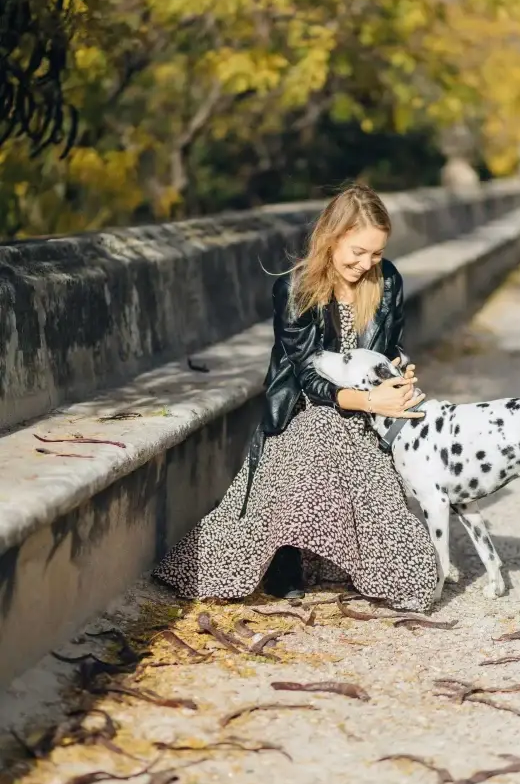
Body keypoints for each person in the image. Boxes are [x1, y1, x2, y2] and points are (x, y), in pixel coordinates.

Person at [153, 183, 439, 610]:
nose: (366, 264)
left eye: (376, 254)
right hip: (305, 408)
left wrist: (398, 372)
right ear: (331, 237)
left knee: (413, 577)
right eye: (358, 252)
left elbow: (389, 347)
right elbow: (307, 375)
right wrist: (366, 401)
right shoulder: (295, 288)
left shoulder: (388, 281)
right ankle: (284, 555)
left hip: (369, 412)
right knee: (320, 431)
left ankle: (330, 552)